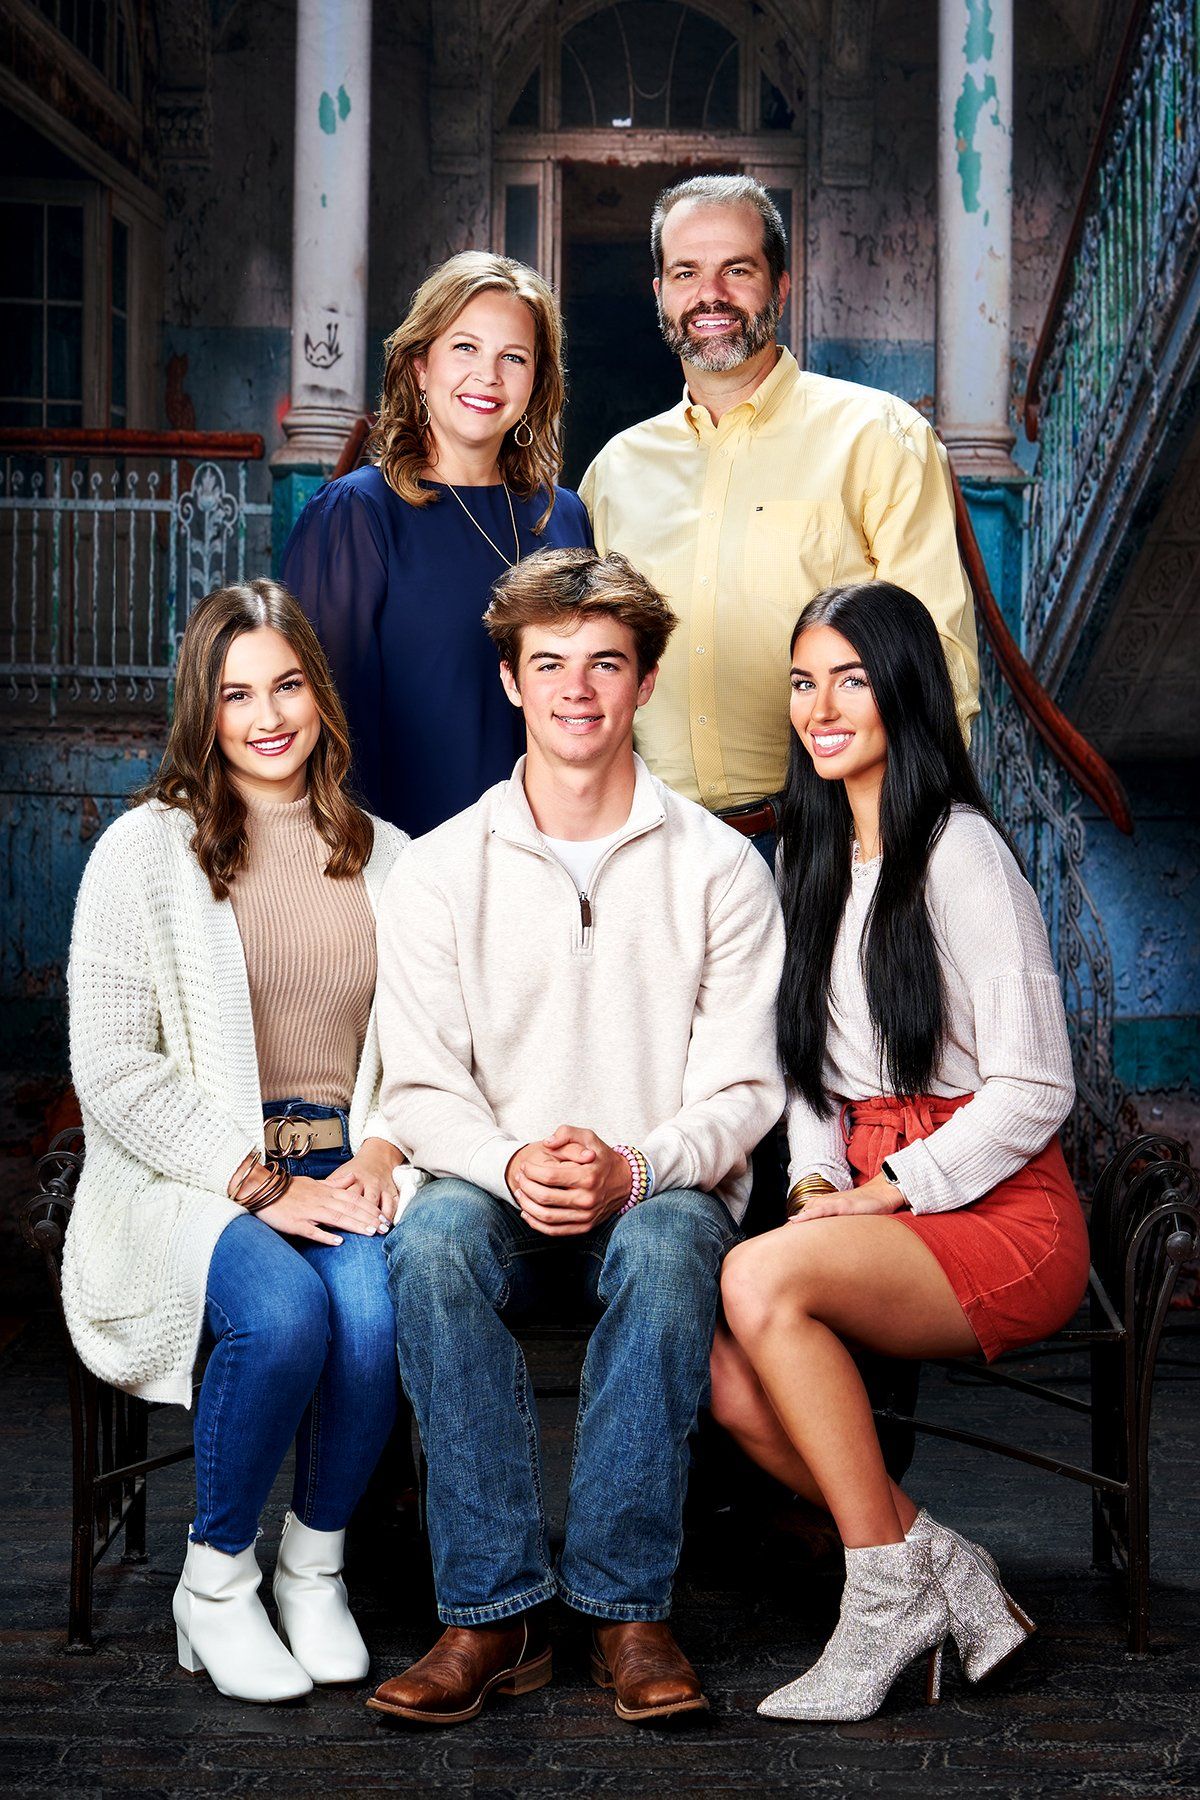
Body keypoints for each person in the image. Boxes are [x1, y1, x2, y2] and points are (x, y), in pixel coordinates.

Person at [367, 548, 785, 1727]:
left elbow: (746, 1089)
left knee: (661, 1249)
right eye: (549, 664)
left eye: (606, 663)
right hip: (493, 1181)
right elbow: (419, 1085)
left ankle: (623, 1611)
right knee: (435, 1241)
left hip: (661, 1183)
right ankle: (490, 1615)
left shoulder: (720, 868)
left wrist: (633, 1167)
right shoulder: (441, 871)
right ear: (509, 680)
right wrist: (509, 1163)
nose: (577, 690)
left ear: (645, 682)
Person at [708, 580, 1090, 1723]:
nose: (821, 707)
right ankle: (937, 1570)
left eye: (852, 680)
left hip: (1001, 1210)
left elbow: (1037, 1086)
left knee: (754, 1275)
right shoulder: (812, 861)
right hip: (880, 1190)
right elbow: (816, 1081)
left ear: (905, 692)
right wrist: (821, 1179)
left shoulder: (960, 853)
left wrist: (885, 1191)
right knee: (725, 1377)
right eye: (803, 682)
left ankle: (880, 1605)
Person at [62, 579, 410, 1704]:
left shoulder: (390, 857)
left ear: (320, 692)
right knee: (284, 1312)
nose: (267, 717)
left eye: (287, 685)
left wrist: (389, 1149)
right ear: (201, 714)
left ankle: (313, 1568)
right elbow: (114, 1067)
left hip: (344, 1163)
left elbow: (425, 1045)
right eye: (235, 695)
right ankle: (214, 1584)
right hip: (187, 1174)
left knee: (371, 1316)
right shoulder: (144, 852)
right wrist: (256, 1186)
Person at [579, 174, 979, 855]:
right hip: (651, 850)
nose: (711, 295)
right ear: (661, 295)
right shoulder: (614, 472)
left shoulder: (878, 437)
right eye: (686, 273)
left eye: (738, 269)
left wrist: (895, 849)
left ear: (782, 286)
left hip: (827, 841)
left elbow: (938, 660)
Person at [281, 251, 592, 837]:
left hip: (547, 858)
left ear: (537, 380)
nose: (488, 376)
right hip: (404, 864)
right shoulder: (357, 515)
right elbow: (316, 724)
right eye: (465, 348)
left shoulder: (564, 518)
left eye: (514, 357)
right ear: (420, 365)